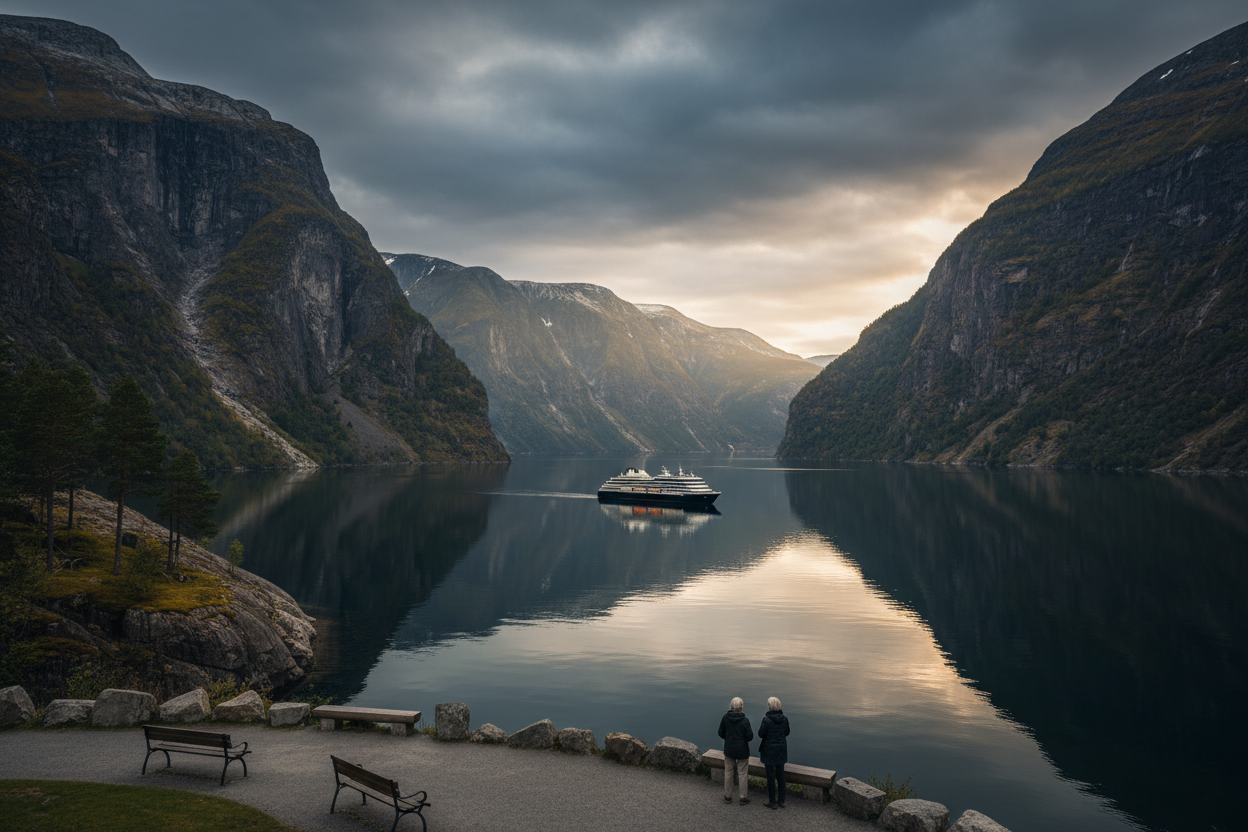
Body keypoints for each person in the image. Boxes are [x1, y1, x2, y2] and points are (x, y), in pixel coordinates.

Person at [717, 696, 754, 805]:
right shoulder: (745, 720)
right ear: (742, 707)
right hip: (742, 751)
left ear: (731, 706)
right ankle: (743, 797)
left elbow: (720, 733)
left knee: (728, 772)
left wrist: (728, 739)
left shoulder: (725, 718)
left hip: (729, 749)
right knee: (742, 773)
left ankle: (728, 796)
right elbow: (750, 737)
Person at [757, 696, 791, 809]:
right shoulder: (784, 719)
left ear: (769, 707)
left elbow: (761, 734)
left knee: (770, 777)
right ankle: (782, 800)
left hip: (769, 751)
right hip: (781, 750)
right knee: (781, 775)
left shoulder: (766, 720)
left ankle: (772, 801)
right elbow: (787, 732)